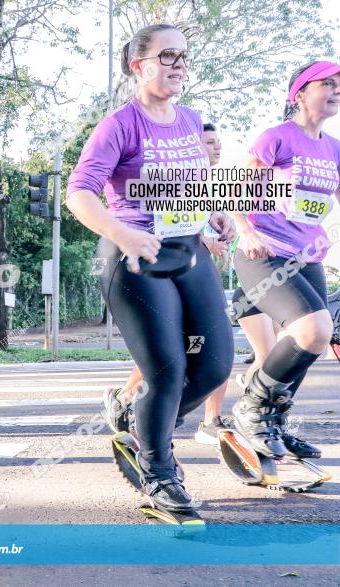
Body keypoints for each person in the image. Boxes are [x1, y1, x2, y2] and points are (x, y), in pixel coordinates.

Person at [66, 24, 236, 512]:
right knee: (167, 369)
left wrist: (214, 212)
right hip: (135, 258)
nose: (178, 63)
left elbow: (192, 184)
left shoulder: (189, 119)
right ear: (137, 67)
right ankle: (159, 473)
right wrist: (123, 234)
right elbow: (78, 193)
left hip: (188, 251)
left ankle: (136, 420)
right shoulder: (119, 124)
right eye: (167, 56)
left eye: (183, 55)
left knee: (215, 365)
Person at [230, 60, 340, 460]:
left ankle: (272, 419)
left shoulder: (334, 148)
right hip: (264, 254)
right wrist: (247, 231)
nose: (336, 90)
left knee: (311, 342)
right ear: (300, 93)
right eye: (327, 83)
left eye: (339, 84)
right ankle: (253, 408)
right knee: (313, 329)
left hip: (307, 257)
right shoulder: (277, 138)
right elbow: (237, 194)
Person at [107, 121, 234, 445]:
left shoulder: (203, 180)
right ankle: (136, 409)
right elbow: (164, 218)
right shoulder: (167, 168)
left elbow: (192, 213)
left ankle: (157, 417)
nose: (215, 147)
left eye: (218, 142)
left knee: (208, 352)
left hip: (196, 271)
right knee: (171, 354)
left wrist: (218, 219)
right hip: (154, 268)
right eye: (208, 142)